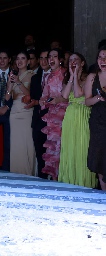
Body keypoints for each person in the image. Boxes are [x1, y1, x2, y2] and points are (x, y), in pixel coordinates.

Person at [59, 53, 97, 188]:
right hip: (70, 115)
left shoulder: (89, 77)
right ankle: (69, 182)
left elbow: (78, 94)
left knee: (82, 148)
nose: (73, 61)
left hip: (83, 115)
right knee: (70, 148)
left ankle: (84, 183)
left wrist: (75, 76)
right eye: (70, 60)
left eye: (76, 59)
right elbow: (64, 95)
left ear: (82, 63)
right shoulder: (67, 77)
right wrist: (71, 76)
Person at [39, 48, 69, 180]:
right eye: (49, 56)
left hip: (65, 114)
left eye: (55, 56)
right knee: (54, 147)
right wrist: (43, 101)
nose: (51, 59)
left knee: (62, 147)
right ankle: (55, 178)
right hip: (52, 115)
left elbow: (71, 96)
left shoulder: (66, 74)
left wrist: (59, 99)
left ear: (61, 60)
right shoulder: (48, 77)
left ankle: (63, 176)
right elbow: (45, 96)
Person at [5, 51, 35, 176]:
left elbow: (30, 94)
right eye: (18, 58)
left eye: (23, 58)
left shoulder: (32, 75)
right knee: (16, 143)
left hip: (27, 110)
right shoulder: (11, 75)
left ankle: (29, 172)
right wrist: (10, 86)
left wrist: (18, 82)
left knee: (27, 142)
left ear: (28, 61)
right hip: (14, 111)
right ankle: (16, 172)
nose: (20, 61)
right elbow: (7, 98)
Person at [84, 46, 106, 190]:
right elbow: (87, 101)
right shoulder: (92, 77)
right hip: (98, 121)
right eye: (100, 57)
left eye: (105, 57)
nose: (102, 60)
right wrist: (97, 98)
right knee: (99, 157)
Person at [29, 49, 51, 179]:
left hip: (53, 118)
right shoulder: (35, 78)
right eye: (41, 58)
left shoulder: (58, 76)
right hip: (38, 117)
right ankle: (42, 178)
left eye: (46, 58)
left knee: (53, 150)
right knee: (39, 149)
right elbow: (33, 97)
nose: (43, 61)